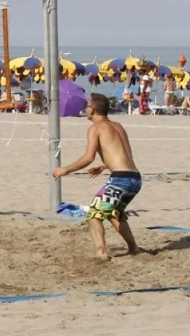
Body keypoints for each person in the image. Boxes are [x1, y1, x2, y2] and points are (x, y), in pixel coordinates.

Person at [52, 93, 141, 260]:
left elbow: (88, 157)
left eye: (87, 106)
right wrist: (105, 165)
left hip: (120, 180)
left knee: (94, 214)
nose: (85, 109)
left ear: (92, 109)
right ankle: (133, 248)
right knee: (114, 213)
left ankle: (100, 252)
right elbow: (124, 154)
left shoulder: (95, 128)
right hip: (135, 178)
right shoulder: (118, 125)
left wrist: (66, 169)